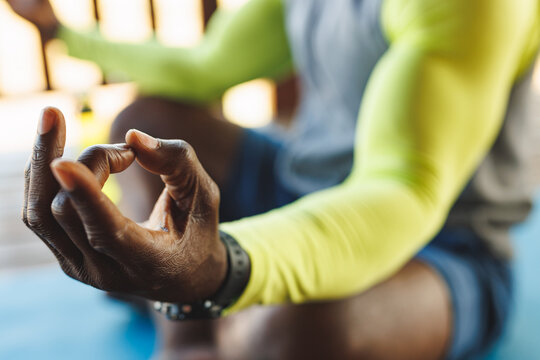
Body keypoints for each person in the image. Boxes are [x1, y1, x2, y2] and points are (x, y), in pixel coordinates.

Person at [11, 0, 540, 358]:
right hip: (300, 186)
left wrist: (225, 263)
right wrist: (64, 35)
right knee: (143, 121)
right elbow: (205, 66)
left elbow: (403, 188)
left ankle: (191, 304)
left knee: (281, 330)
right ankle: (187, 337)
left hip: (441, 247)